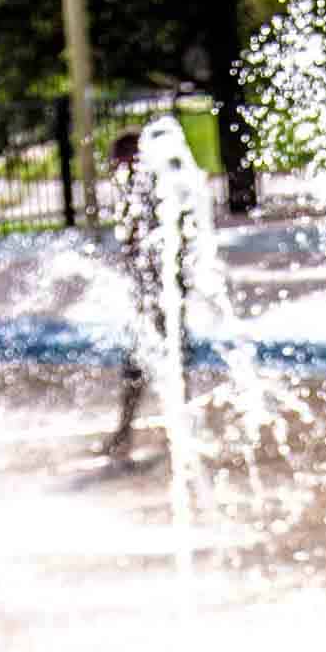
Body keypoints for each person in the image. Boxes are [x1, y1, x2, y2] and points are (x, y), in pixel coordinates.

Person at [103, 121, 196, 460]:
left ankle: (167, 433)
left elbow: (176, 244)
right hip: (148, 295)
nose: (114, 167)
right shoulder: (137, 194)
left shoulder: (157, 194)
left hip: (164, 294)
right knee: (143, 360)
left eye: (119, 159)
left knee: (164, 357)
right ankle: (130, 431)